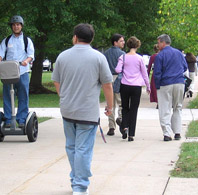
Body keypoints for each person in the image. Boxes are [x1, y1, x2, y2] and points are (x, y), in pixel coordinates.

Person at [52, 23, 113, 195]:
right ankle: (80, 185)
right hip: (87, 112)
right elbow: (107, 85)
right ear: (91, 39)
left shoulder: (63, 57)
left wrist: (62, 96)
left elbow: (56, 80)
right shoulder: (98, 57)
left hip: (67, 110)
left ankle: (76, 179)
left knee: (71, 147)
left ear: (75, 37)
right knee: (83, 149)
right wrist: (110, 106)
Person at [0, 15, 34, 128]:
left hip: (22, 71)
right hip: (9, 73)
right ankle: (8, 119)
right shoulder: (7, 40)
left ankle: (21, 119)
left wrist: (26, 61)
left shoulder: (27, 40)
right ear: (11, 26)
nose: (16, 27)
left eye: (18, 25)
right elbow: (0, 53)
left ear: (21, 26)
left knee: (23, 96)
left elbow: (31, 55)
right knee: (7, 95)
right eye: (14, 25)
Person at [115, 36, 150, 142]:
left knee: (125, 107)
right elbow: (144, 74)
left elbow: (117, 70)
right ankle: (131, 134)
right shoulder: (140, 58)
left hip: (125, 85)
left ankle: (124, 127)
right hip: (136, 87)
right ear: (137, 45)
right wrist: (148, 86)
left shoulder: (123, 57)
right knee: (134, 109)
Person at [154, 34, 188, 141]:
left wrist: (157, 85)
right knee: (177, 106)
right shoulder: (178, 53)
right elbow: (185, 67)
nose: (158, 45)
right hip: (179, 82)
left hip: (166, 83)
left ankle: (167, 133)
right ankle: (177, 131)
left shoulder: (160, 56)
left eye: (159, 42)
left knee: (165, 108)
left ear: (163, 43)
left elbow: (157, 73)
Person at [103, 33, 125, 136]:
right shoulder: (122, 54)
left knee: (110, 104)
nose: (123, 42)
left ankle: (111, 127)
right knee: (121, 102)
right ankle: (120, 120)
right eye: (121, 41)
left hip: (108, 79)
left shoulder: (106, 54)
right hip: (119, 79)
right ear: (115, 42)